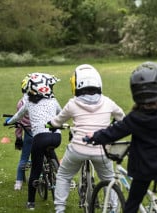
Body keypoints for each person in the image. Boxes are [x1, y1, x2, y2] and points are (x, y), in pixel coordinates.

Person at [85, 43, 157, 213]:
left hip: (146, 168)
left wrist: (93, 136)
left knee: (132, 205)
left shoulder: (134, 118)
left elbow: (111, 132)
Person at [48, 64, 125, 213]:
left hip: (78, 149)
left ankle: (59, 209)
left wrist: (50, 124)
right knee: (109, 180)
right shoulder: (108, 102)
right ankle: (113, 210)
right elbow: (122, 118)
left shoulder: (73, 104)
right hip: (101, 150)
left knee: (64, 176)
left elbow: (57, 121)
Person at [4, 73, 62, 210]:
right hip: (56, 137)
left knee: (36, 169)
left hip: (40, 138)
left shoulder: (28, 102)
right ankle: (57, 174)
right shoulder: (53, 100)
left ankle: (31, 202)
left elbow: (18, 116)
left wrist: (8, 122)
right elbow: (62, 113)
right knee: (51, 151)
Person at [13, 75, 33, 190]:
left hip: (28, 133)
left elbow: (19, 122)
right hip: (41, 132)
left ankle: (18, 182)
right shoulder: (40, 101)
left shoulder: (21, 103)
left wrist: (18, 137)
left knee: (24, 158)